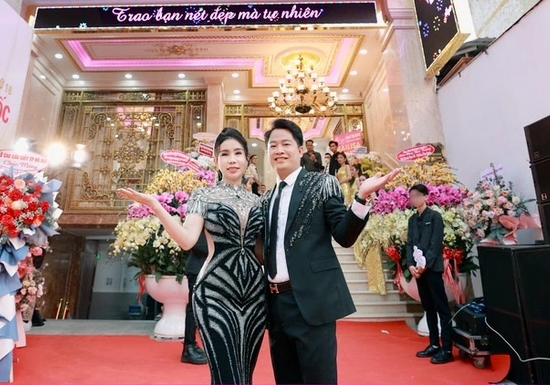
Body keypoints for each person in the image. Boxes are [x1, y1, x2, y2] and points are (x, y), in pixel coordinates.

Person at [118, 128, 266, 385]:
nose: (232, 159)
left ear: (247, 159)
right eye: (225, 154)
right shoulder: (203, 196)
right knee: (225, 375)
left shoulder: (258, 202)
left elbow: (263, 251)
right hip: (215, 293)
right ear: (216, 160)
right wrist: (156, 207)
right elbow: (187, 240)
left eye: (238, 153)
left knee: (245, 375)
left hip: (254, 295)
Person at [263, 118, 400, 384]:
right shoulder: (267, 198)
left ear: (300, 149)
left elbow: (343, 236)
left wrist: (361, 198)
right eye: (273, 145)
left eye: (286, 144)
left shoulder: (322, 183)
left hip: (312, 300)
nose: (279, 150)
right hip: (276, 305)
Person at [407, 183, 453, 365]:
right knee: (428, 307)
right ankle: (434, 344)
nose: (414, 199)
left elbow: (435, 244)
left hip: (432, 268)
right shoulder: (412, 220)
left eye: (417, 196)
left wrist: (424, 265)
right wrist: (411, 265)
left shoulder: (435, 217)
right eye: (411, 196)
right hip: (419, 271)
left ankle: (447, 349)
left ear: (425, 197)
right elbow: (410, 243)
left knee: (442, 308)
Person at [181, 230, 208, 365]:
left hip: (209, 269)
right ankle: (189, 347)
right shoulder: (198, 218)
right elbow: (195, 243)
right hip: (198, 268)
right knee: (194, 308)